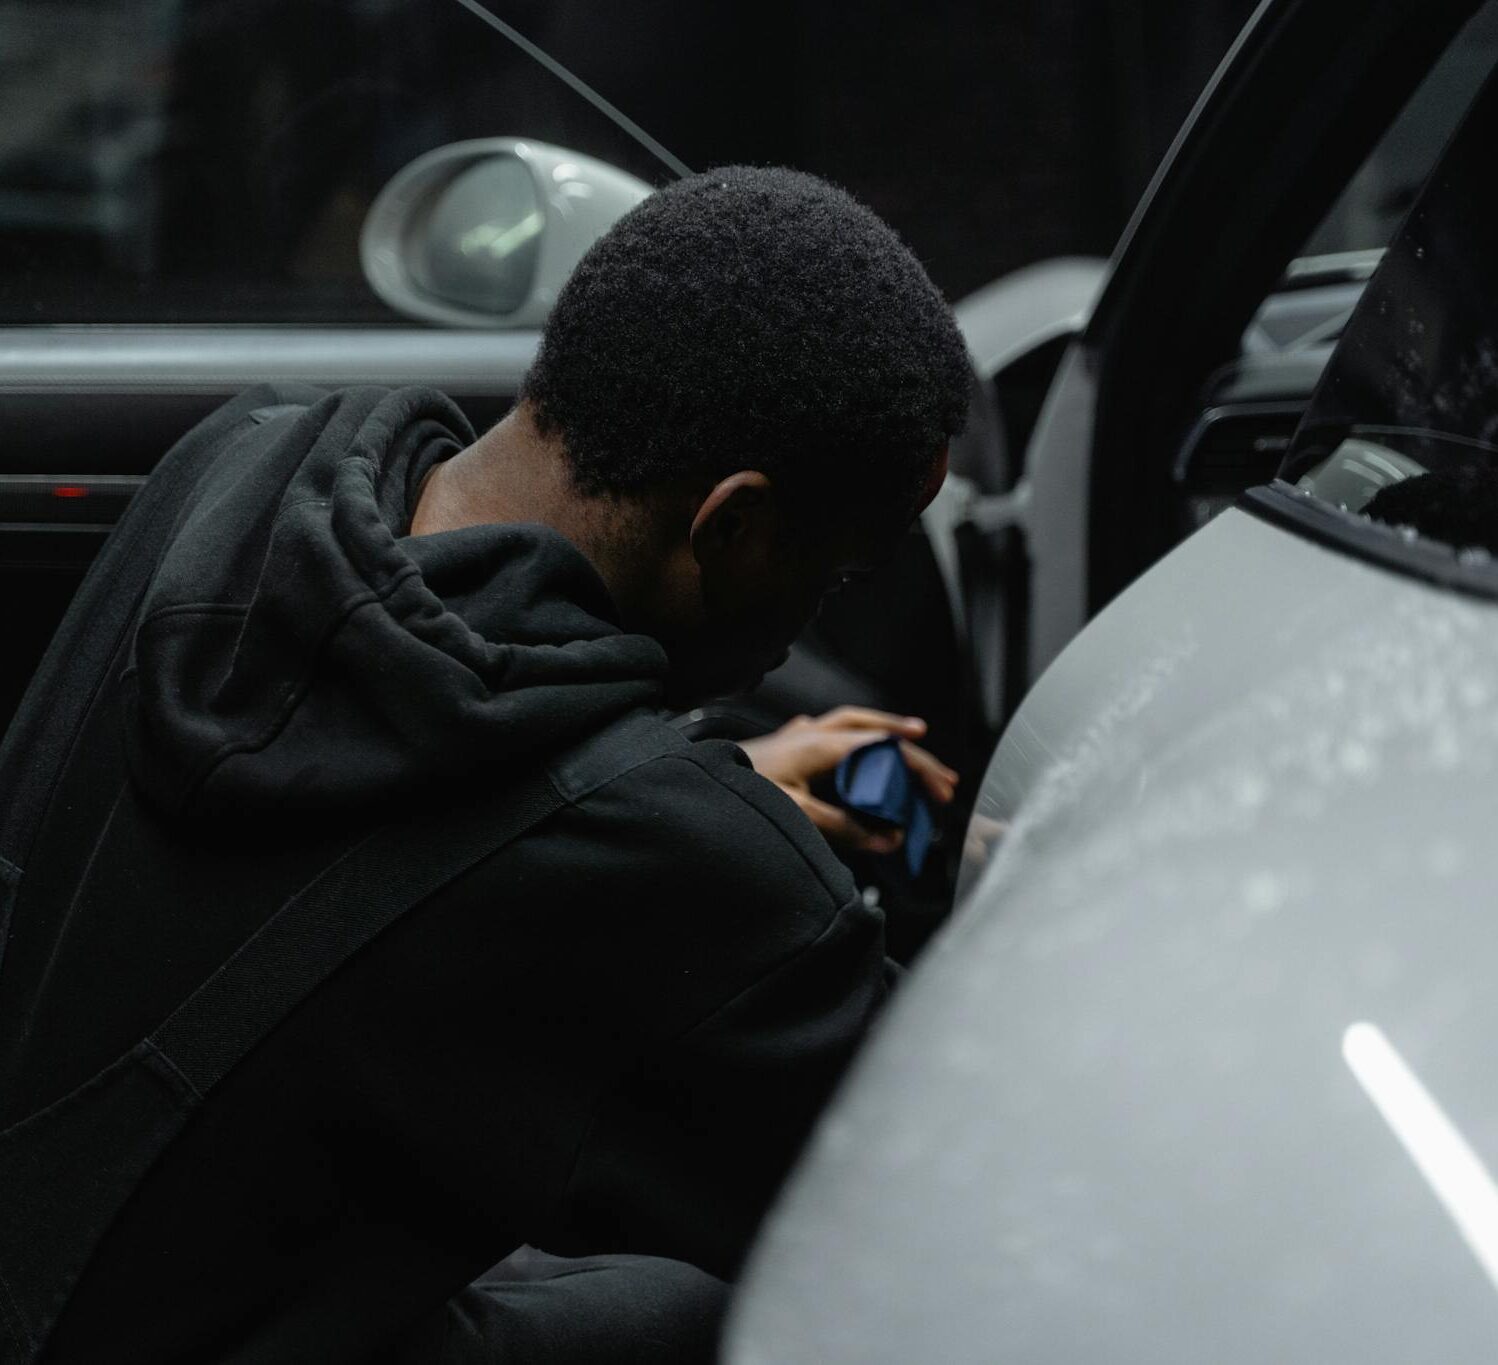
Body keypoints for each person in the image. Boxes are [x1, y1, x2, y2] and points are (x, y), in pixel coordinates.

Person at [0, 166, 971, 1362]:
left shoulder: (236, 468)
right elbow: (957, 1202)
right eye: (823, 582)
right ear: (734, 526)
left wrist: (725, 788)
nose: (796, 631)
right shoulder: (689, 875)